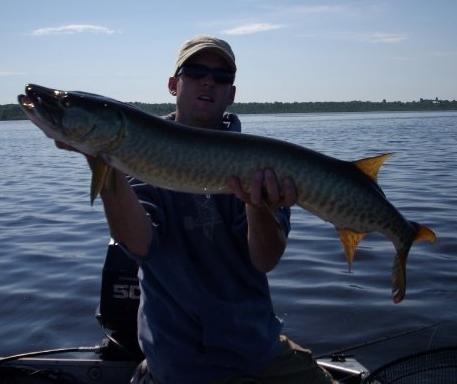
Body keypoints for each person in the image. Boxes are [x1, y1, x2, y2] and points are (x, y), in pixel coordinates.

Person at [59, 35, 335, 383]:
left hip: (256, 352)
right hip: (179, 364)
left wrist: (258, 206)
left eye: (221, 77)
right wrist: (103, 159)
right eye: (195, 72)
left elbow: (265, 260)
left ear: (231, 93)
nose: (208, 81)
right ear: (173, 84)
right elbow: (140, 243)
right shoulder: (142, 156)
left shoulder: (260, 164)